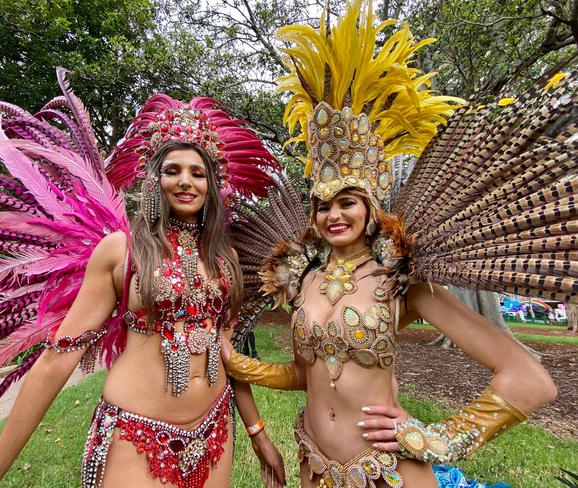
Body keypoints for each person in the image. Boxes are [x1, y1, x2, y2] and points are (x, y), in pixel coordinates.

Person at [221, 1, 574, 486]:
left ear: (370, 207)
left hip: (385, 471)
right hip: (315, 465)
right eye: (323, 205)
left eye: (348, 202)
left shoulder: (401, 283)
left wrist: (438, 438)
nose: (334, 214)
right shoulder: (306, 281)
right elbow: (311, 374)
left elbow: (530, 379)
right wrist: (244, 366)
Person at [0, 74, 285, 488]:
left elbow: (227, 352)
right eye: (173, 170)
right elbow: (56, 359)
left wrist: (257, 432)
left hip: (214, 434)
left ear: (212, 186)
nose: (186, 181)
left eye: (198, 173)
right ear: (154, 180)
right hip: (136, 434)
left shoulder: (225, 258)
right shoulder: (121, 250)